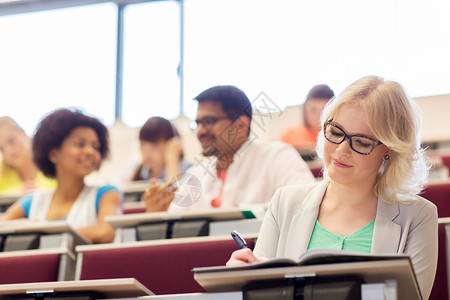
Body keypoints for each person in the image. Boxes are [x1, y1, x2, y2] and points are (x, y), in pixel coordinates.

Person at [227, 76, 438, 300]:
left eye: (362, 142)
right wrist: (242, 280)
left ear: (390, 150)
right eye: (336, 132)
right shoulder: (285, 202)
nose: (341, 150)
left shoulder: (418, 217)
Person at [143, 85, 316, 213]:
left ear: (240, 126)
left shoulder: (278, 157)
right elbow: (176, 227)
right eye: (198, 123)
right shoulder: (197, 175)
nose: (201, 131)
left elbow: (306, 207)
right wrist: (156, 212)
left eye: (209, 122)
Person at [1, 108, 122, 244]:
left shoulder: (107, 194)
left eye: (95, 147)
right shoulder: (31, 202)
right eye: (80, 144)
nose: (90, 151)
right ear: (53, 153)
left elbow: (105, 232)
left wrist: (37, 232)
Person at [120, 116, 191, 184]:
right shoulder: (136, 170)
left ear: (170, 145)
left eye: (154, 146)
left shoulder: (188, 170)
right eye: (142, 145)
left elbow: (175, 194)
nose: (146, 153)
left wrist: (172, 162)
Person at [0, 116, 56, 194]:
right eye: (1, 149)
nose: (9, 151)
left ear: (23, 133)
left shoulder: (53, 161)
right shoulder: (2, 172)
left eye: (11, 141)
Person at [280, 84, 334, 148]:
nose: (318, 116)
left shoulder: (336, 136)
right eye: (313, 110)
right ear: (305, 109)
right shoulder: (290, 134)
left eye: (323, 111)